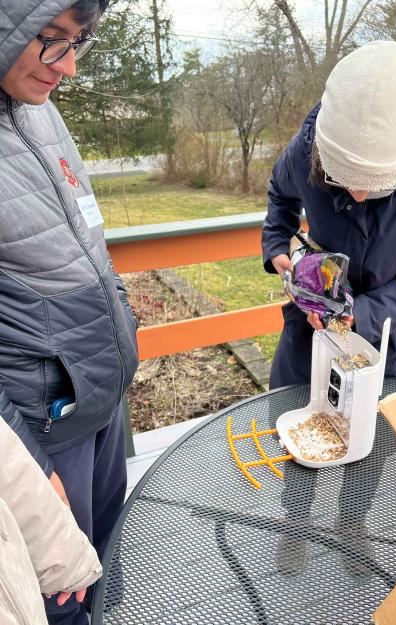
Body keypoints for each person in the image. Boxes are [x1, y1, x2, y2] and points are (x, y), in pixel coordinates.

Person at [0, 1, 138, 623]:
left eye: (76, 42)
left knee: (113, 549)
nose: (70, 67)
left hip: (99, 393)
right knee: (64, 585)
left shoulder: (40, 111)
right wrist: (25, 462)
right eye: (51, 41)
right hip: (40, 424)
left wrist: (122, 314)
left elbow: (86, 238)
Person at [262, 40, 396, 387]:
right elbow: (280, 193)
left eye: (380, 185)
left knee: (374, 437)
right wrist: (275, 244)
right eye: (339, 177)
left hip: (387, 345)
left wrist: (360, 312)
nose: (359, 194)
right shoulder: (306, 147)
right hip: (307, 333)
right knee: (284, 424)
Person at [0, 416, 102, 625]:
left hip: (86, 407)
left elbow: (6, 460)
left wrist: (66, 559)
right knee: (62, 610)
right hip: (46, 422)